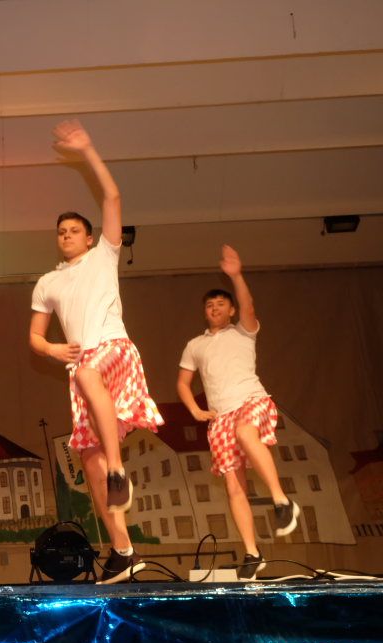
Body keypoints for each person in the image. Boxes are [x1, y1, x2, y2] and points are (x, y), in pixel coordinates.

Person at [28, 121, 163, 584]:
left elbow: (112, 197)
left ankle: (119, 470)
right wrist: (51, 348)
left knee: (87, 375)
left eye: (74, 230)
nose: (66, 235)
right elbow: (35, 337)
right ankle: (123, 551)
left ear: (89, 238)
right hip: (82, 368)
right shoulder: (47, 282)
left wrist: (87, 150)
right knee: (88, 461)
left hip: (113, 351)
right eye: (61, 231)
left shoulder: (104, 255)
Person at [177, 244, 301, 580]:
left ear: (231, 310)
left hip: (251, 400)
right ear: (204, 313)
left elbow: (249, 305)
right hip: (220, 417)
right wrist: (195, 410)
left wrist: (236, 276)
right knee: (234, 486)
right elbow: (183, 383)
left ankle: (282, 502)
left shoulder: (244, 331)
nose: (214, 308)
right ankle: (252, 553)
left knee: (247, 433)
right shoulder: (195, 345)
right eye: (209, 305)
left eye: (221, 303)